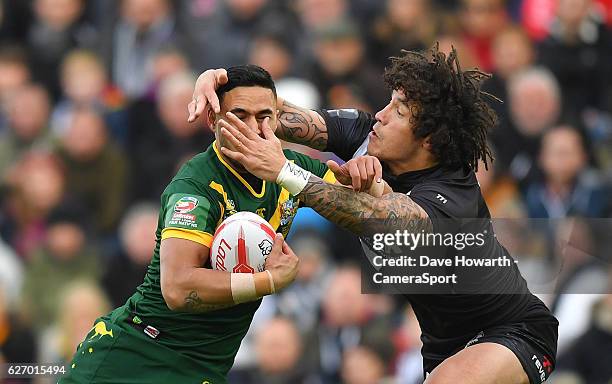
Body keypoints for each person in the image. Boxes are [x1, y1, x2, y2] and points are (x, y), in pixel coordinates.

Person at [189, 45, 559, 384]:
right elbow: (274, 113)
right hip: (443, 347)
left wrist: (284, 170)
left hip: (515, 330)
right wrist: (222, 84)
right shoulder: (368, 133)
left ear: (427, 139)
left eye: (398, 111)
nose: (379, 116)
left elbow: (379, 216)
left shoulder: (452, 192)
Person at [59, 64, 338, 384]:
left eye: (264, 116)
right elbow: (178, 288)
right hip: (137, 356)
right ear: (212, 120)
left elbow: (354, 201)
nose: (254, 128)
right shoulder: (195, 186)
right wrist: (269, 281)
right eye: (240, 115)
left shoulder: (289, 170)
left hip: (203, 369)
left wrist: (369, 179)